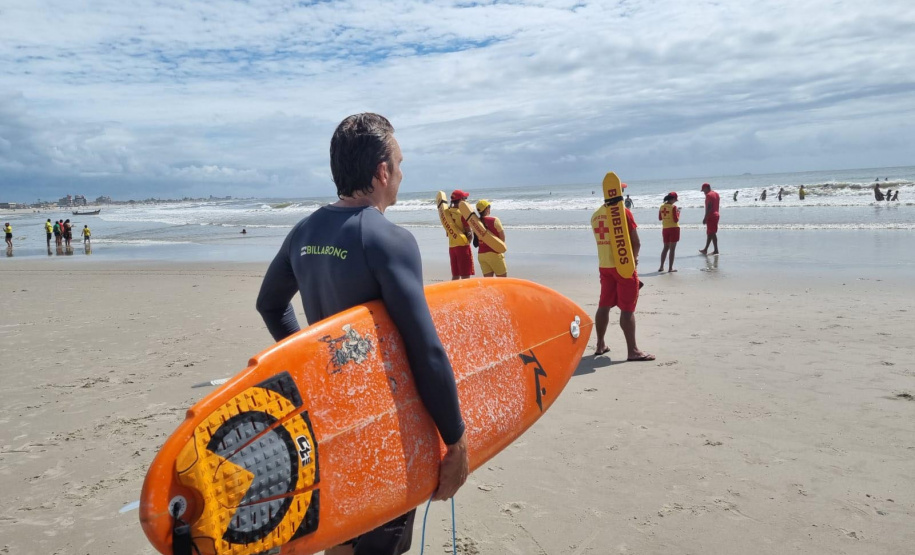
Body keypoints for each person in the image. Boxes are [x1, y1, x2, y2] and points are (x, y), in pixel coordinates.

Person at [256, 113, 468, 555]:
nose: (403, 173)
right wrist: (456, 440)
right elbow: (425, 350)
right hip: (383, 423)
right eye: (399, 162)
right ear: (382, 171)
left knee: (342, 534)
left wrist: (309, 361)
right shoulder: (388, 239)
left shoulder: (305, 231)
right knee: (380, 542)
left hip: (329, 415)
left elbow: (271, 305)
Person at [590, 182, 654, 361]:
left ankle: (600, 344)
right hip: (623, 266)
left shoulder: (595, 216)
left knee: (603, 306)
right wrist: (634, 261)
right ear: (618, 192)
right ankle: (632, 350)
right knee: (627, 309)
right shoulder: (624, 212)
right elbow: (636, 242)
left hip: (604, 266)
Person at [474, 199, 507, 277]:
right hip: (495, 254)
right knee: (502, 282)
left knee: (488, 283)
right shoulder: (494, 220)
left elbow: (476, 241)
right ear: (487, 209)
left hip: (481, 255)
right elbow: (502, 239)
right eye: (489, 206)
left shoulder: (475, 222)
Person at [446, 189, 474, 280]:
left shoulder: (448, 213)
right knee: (465, 275)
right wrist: (469, 239)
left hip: (452, 247)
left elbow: (447, 232)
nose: (466, 200)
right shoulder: (462, 213)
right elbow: (468, 232)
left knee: (455, 275)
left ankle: (454, 293)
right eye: (465, 198)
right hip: (462, 246)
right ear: (461, 200)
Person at [658, 192, 680, 273]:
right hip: (674, 228)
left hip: (665, 229)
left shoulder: (661, 206)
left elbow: (660, 218)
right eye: (675, 200)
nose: (675, 201)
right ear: (672, 199)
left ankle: (661, 266)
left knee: (665, 248)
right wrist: (678, 213)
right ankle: (670, 268)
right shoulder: (673, 207)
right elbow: (676, 219)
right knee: (672, 249)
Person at [699, 183, 720, 255]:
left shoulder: (708, 195)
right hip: (716, 215)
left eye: (704, 190)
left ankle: (707, 249)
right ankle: (713, 250)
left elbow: (709, 207)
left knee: (711, 233)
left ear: (707, 188)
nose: (704, 192)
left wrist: (705, 217)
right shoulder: (716, 194)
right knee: (711, 233)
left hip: (711, 216)